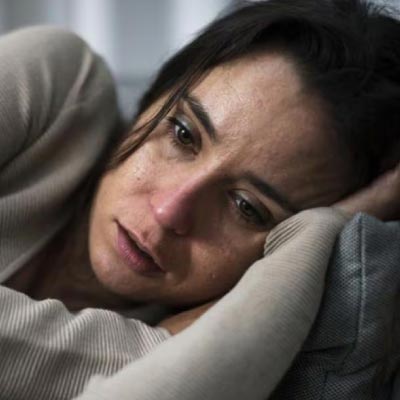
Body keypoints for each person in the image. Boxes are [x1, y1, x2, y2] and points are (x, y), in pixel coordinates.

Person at [0, 0, 399, 399]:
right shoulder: (59, 88)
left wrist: (325, 229)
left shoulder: (239, 328)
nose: (168, 210)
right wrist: (156, 348)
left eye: (246, 207)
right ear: (154, 98)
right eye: (183, 134)